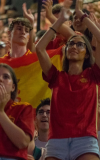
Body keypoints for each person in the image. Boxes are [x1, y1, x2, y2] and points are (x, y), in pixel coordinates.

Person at [35, 1, 100, 159]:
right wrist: (58, 21)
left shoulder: (93, 74)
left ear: (86, 53)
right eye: (71, 43)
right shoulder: (56, 76)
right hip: (56, 141)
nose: (74, 46)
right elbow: (39, 48)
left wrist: (83, 16)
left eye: (80, 45)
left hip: (85, 139)